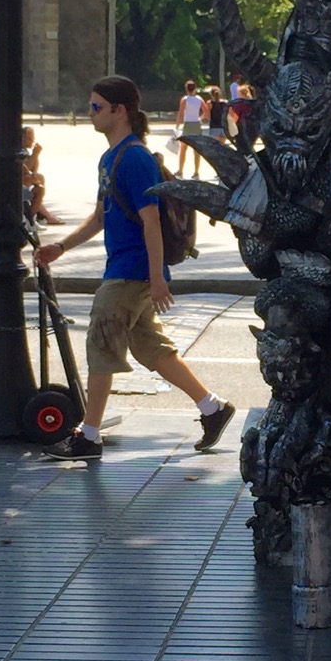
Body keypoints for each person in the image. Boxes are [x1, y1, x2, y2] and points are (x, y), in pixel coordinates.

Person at [34, 75, 235, 461]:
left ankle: (88, 436)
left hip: (131, 271)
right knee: (150, 348)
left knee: (101, 342)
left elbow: (151, 221)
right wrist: (60, 247)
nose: (90, 113)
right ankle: (213, 408)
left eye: (96, 107)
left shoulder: (136, 158)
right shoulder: (110, 158)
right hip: (127, 267)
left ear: (119, 111)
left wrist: (157, 278)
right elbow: (100, 217)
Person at [21, 126, 63, 224]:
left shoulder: (25, 151)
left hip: (26, 182)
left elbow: (34, 170)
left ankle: (40, 213)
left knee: (40, 179)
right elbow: (26, 170)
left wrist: (36, 155)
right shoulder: (19, 151)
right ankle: (44, 215)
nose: (32, 141)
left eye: (33, 138)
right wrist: (35, 154)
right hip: (19, 184)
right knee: (38, 184)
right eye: (29, 138)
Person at [175, 79, 209, 179]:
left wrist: (177, 125)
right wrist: (200, 118)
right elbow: (206, 111)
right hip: (197, 124)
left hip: (188, 124)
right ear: (195, 88)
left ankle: (180, 171)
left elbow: (181, 113)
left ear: (186, 89)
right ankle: (196, 172)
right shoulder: (199, 99)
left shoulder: (185, 99)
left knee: (183, 149)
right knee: (196, 150)